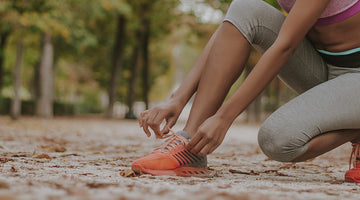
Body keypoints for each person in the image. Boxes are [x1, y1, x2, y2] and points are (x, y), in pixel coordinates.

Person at [131, 0, 360, 182]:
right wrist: (178, 98)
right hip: (326, 67)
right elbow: (234, 25)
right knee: (244, 6)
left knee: (276, 140)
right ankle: (190, 147)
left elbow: (285, 46)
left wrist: (224, 117)